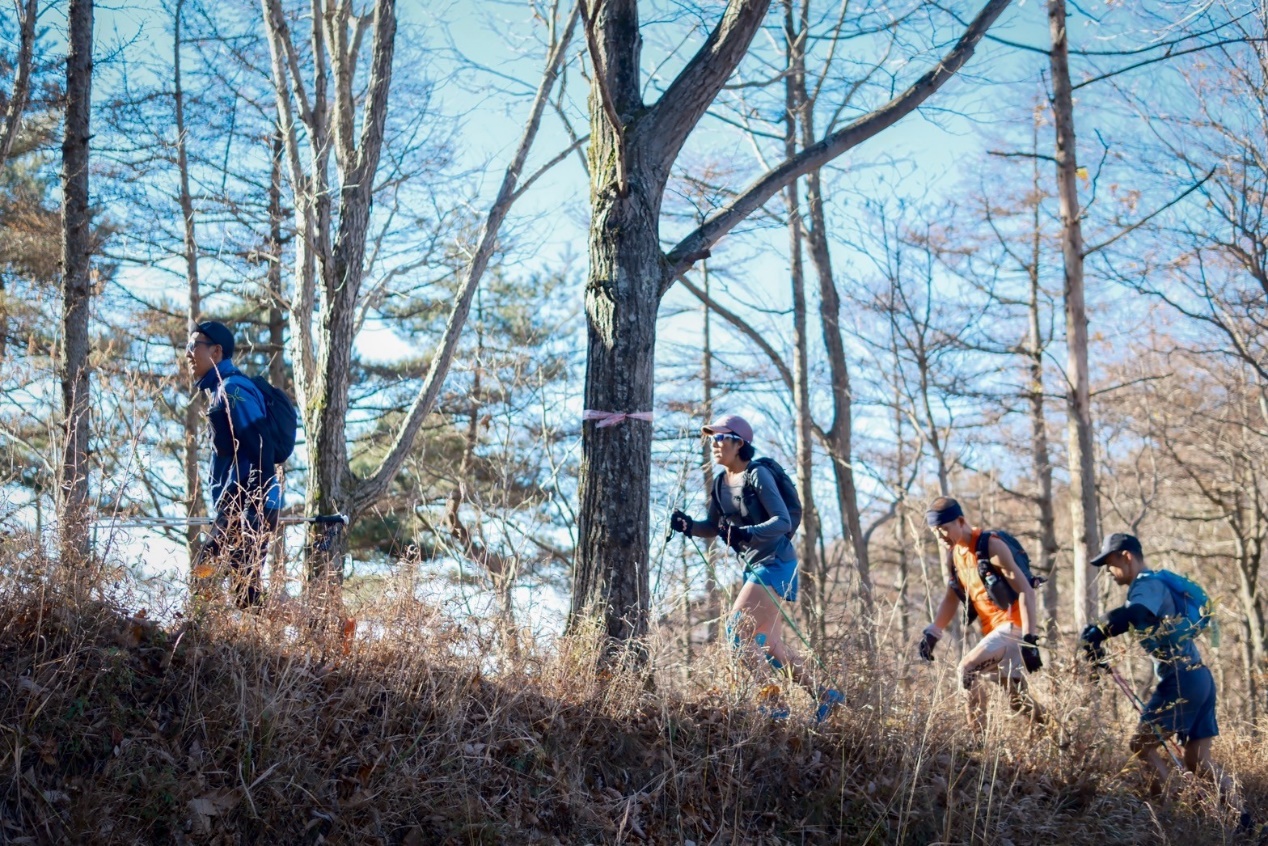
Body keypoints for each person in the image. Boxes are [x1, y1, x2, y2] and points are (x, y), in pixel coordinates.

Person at [668, 414, 843, 722]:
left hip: (776, 562)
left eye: (721, 438)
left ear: (739, 443)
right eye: (712, 439)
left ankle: (775, 706)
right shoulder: (721, 482)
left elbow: (782, 521)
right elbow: (712, 526)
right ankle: (826, 695)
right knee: (771, 645)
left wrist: (747, 533)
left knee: (736, 632)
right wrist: (688, 526)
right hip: (753, 566)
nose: (715, 445)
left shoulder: (757, 474)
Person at [1079, 532, 1249, 827]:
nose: (1108, 570)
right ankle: (1247, 824)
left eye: (1110, 562)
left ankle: (1172, 819)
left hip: (1180, 680)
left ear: (1127, 557)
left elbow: (1136, 613)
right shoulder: (1152, 585)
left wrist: (1098, 630)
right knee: (1198, 762)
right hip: (1199, 677)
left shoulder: (1146, 585)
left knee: (1140, 746)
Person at [919, 497, 1045, 733]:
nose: (941, 537)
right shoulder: (953, 555)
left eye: (944, 529)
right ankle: (1062, 736)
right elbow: (951, 596)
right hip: (993, 632)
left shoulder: (991, 545)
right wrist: (933, 632)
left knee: (967, 669)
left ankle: (977, 746)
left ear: (960, 521)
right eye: (935, 532)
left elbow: (1026, 590)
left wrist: (1030, 639)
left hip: (1013, 628)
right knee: (1019, 703)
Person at [186, 320, 281, 609]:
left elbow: (260, 446)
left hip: (249, 500)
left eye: (193, 346)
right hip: (243, 500)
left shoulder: (232, 390)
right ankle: (314, 624)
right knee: (246, 596)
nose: (187, 354)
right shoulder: (220, 390)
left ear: (215, 352)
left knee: (205, 572)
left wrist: (251, 509)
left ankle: (197, 639)